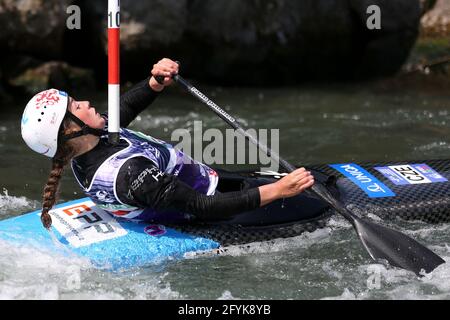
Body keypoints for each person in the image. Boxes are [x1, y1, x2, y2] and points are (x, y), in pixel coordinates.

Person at [21, 58, 315, 230]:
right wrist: (278, 190)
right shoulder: (131, 174)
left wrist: (154, 82)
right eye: (76, 105)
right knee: (315, 206)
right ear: (70, 130)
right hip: (215, 215)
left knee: (312, 183)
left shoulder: (91, 142)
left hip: (209, 181)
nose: (86, 102)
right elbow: (203, 205)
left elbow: (124, 108)